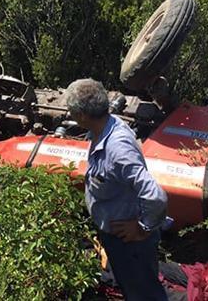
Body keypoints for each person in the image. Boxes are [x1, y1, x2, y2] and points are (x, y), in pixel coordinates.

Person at [65, 78, 168, 300]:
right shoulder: (103, 128)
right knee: (131, 287)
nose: (68, 115)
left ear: (82, 116)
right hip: (116, 236)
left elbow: (155, 196)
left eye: (70, 111)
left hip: (130, 243)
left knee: (143, 293)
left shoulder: (117, 149)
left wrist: (142, 229)